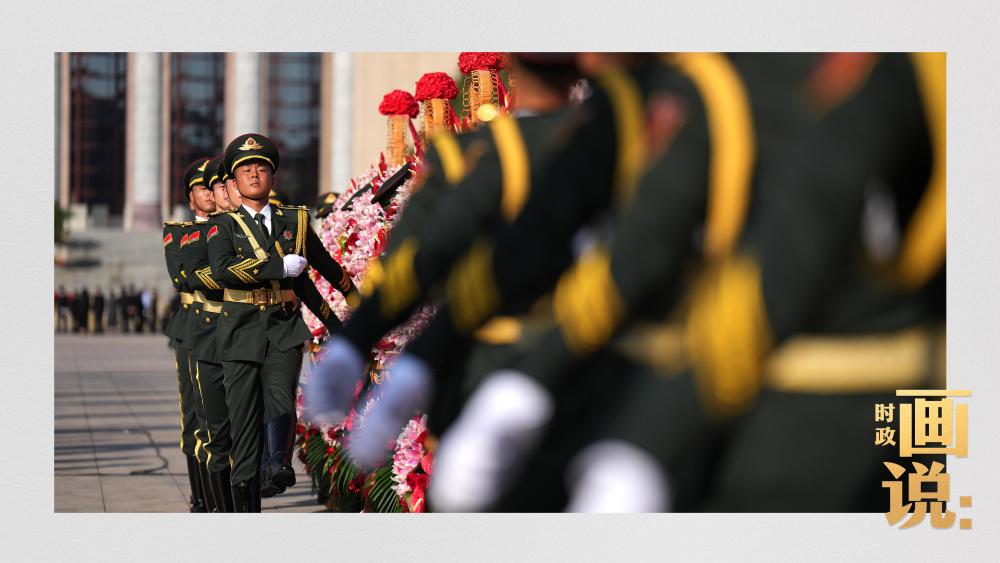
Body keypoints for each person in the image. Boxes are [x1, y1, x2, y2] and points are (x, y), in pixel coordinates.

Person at [207, 133, 356, 511]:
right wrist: (276, 267)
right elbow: (223, 270)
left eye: (261, 167)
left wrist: (357, 311)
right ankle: (246, 502)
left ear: (272, 176)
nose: (254, 174)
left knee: (281, 396)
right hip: (240, 331)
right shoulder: (222, 226)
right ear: (234, 182)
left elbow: (328, 269)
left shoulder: (296, 221)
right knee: (243, 425)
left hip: (283, 327)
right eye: (245, 169)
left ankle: (278, 461)